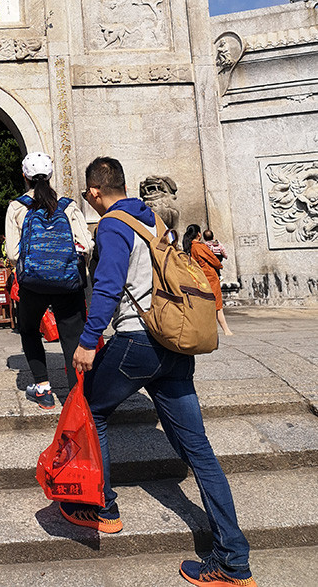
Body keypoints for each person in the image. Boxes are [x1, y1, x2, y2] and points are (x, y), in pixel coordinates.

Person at [69, 157, 257, 587]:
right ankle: (234, 560)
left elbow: (108, 285)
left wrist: (87, 340)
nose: (90, 202)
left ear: (96, 192)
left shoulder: (114, 225)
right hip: (174, 343)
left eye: (89, 196)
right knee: (200, 452)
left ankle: (103, 507)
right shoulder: (154, 220)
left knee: (92, 409)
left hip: (137, 340)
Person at [5, 151, 92, 409]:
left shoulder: (17, 207)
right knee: (72, 336)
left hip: (33, 284)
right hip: (68, 282)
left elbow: (12, 253)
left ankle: (43, 388)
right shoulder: (67, 205)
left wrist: (36, 262)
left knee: (30, 330)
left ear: (25, 176)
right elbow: (86, 245)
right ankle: (78, 396)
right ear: (51, 175)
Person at [184, 225, 234, 337]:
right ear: (198, 234)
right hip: (210, 277)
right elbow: (214, 260)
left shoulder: (190, 248)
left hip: (200, 278)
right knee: (217, 306)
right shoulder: (199, 247)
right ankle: (226, 330)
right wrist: (219, 265)